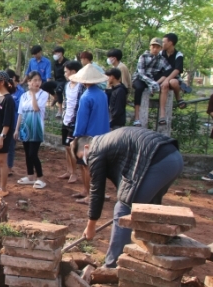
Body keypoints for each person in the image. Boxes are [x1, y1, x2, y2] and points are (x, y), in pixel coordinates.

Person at [75, 127, 182, 268]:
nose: (85, 162)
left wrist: (91, 226)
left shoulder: (95, 150)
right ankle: (155, 259)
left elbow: (97, 192)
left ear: (87, 147)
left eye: (82, 157)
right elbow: (124, 183)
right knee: (147, 208)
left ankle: (112, 267)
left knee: (123, 208)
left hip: (159, 161)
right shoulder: (107, 143)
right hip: (174, 158)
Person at [72, 64, 111, 203]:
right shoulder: (103, 95)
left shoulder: (86, 97)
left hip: (88, 137)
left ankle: (90, 194)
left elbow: (81, 120)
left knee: (86, 166)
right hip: (103, 135)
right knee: (98, 167)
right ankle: (92, 191)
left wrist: (77, 136)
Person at [15, 71, 49, 190]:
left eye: (39, 80)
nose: (37, 82)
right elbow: (20, 113)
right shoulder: (23, 96)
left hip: (36, 128)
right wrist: (16, 129)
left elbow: (36, 108)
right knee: (27, 153)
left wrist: (34, 94)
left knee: (33, 153)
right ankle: (30, 176)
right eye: (34, 80)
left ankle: (40, 177)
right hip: (25, 127)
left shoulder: (43, 94)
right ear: (28, 82)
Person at [131, 38, 172, 127]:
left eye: (157, 47)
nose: (155, 49)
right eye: (153, 47)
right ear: (150, 47)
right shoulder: (143, 57)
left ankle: (162, 116)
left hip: (153, 79)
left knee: (165, 85)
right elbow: (141, 73)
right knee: (139, 88)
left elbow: (169, 70)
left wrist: (163, 79)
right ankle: (137, 118)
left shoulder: (162, 59)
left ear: (161, 48)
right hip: (140, 78)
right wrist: (152, 83)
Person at [58, 61, 85, 184]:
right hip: (66, 120)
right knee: (66, 147)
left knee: (71, 147)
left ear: (73, 72)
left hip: (75, 122)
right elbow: (66, 102)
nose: (64, 74)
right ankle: (69, 170)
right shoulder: (67, 85)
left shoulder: (81, 86)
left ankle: (74, 173)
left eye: (66, 71)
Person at [159, 33, 187, 120]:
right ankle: (162, 114)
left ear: (170, 43)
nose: (161, 44)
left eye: (163, 42)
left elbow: (177, 69)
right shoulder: (160, 53)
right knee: (166, 84)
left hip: (172, 78)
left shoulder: (178, 55)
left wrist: (167, 79)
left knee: (173, 82)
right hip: (161, 77)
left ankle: (178, 97)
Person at [51, 46, 69, 118]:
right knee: (45, 85)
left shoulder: (67, 62)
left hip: (64, 80)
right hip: (56, 80)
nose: (55, 55)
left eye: (56, 53)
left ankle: (60, 110)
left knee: (59, 90)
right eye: (54, 53)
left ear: (61, 53)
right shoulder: (55, 63)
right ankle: (55, 97)